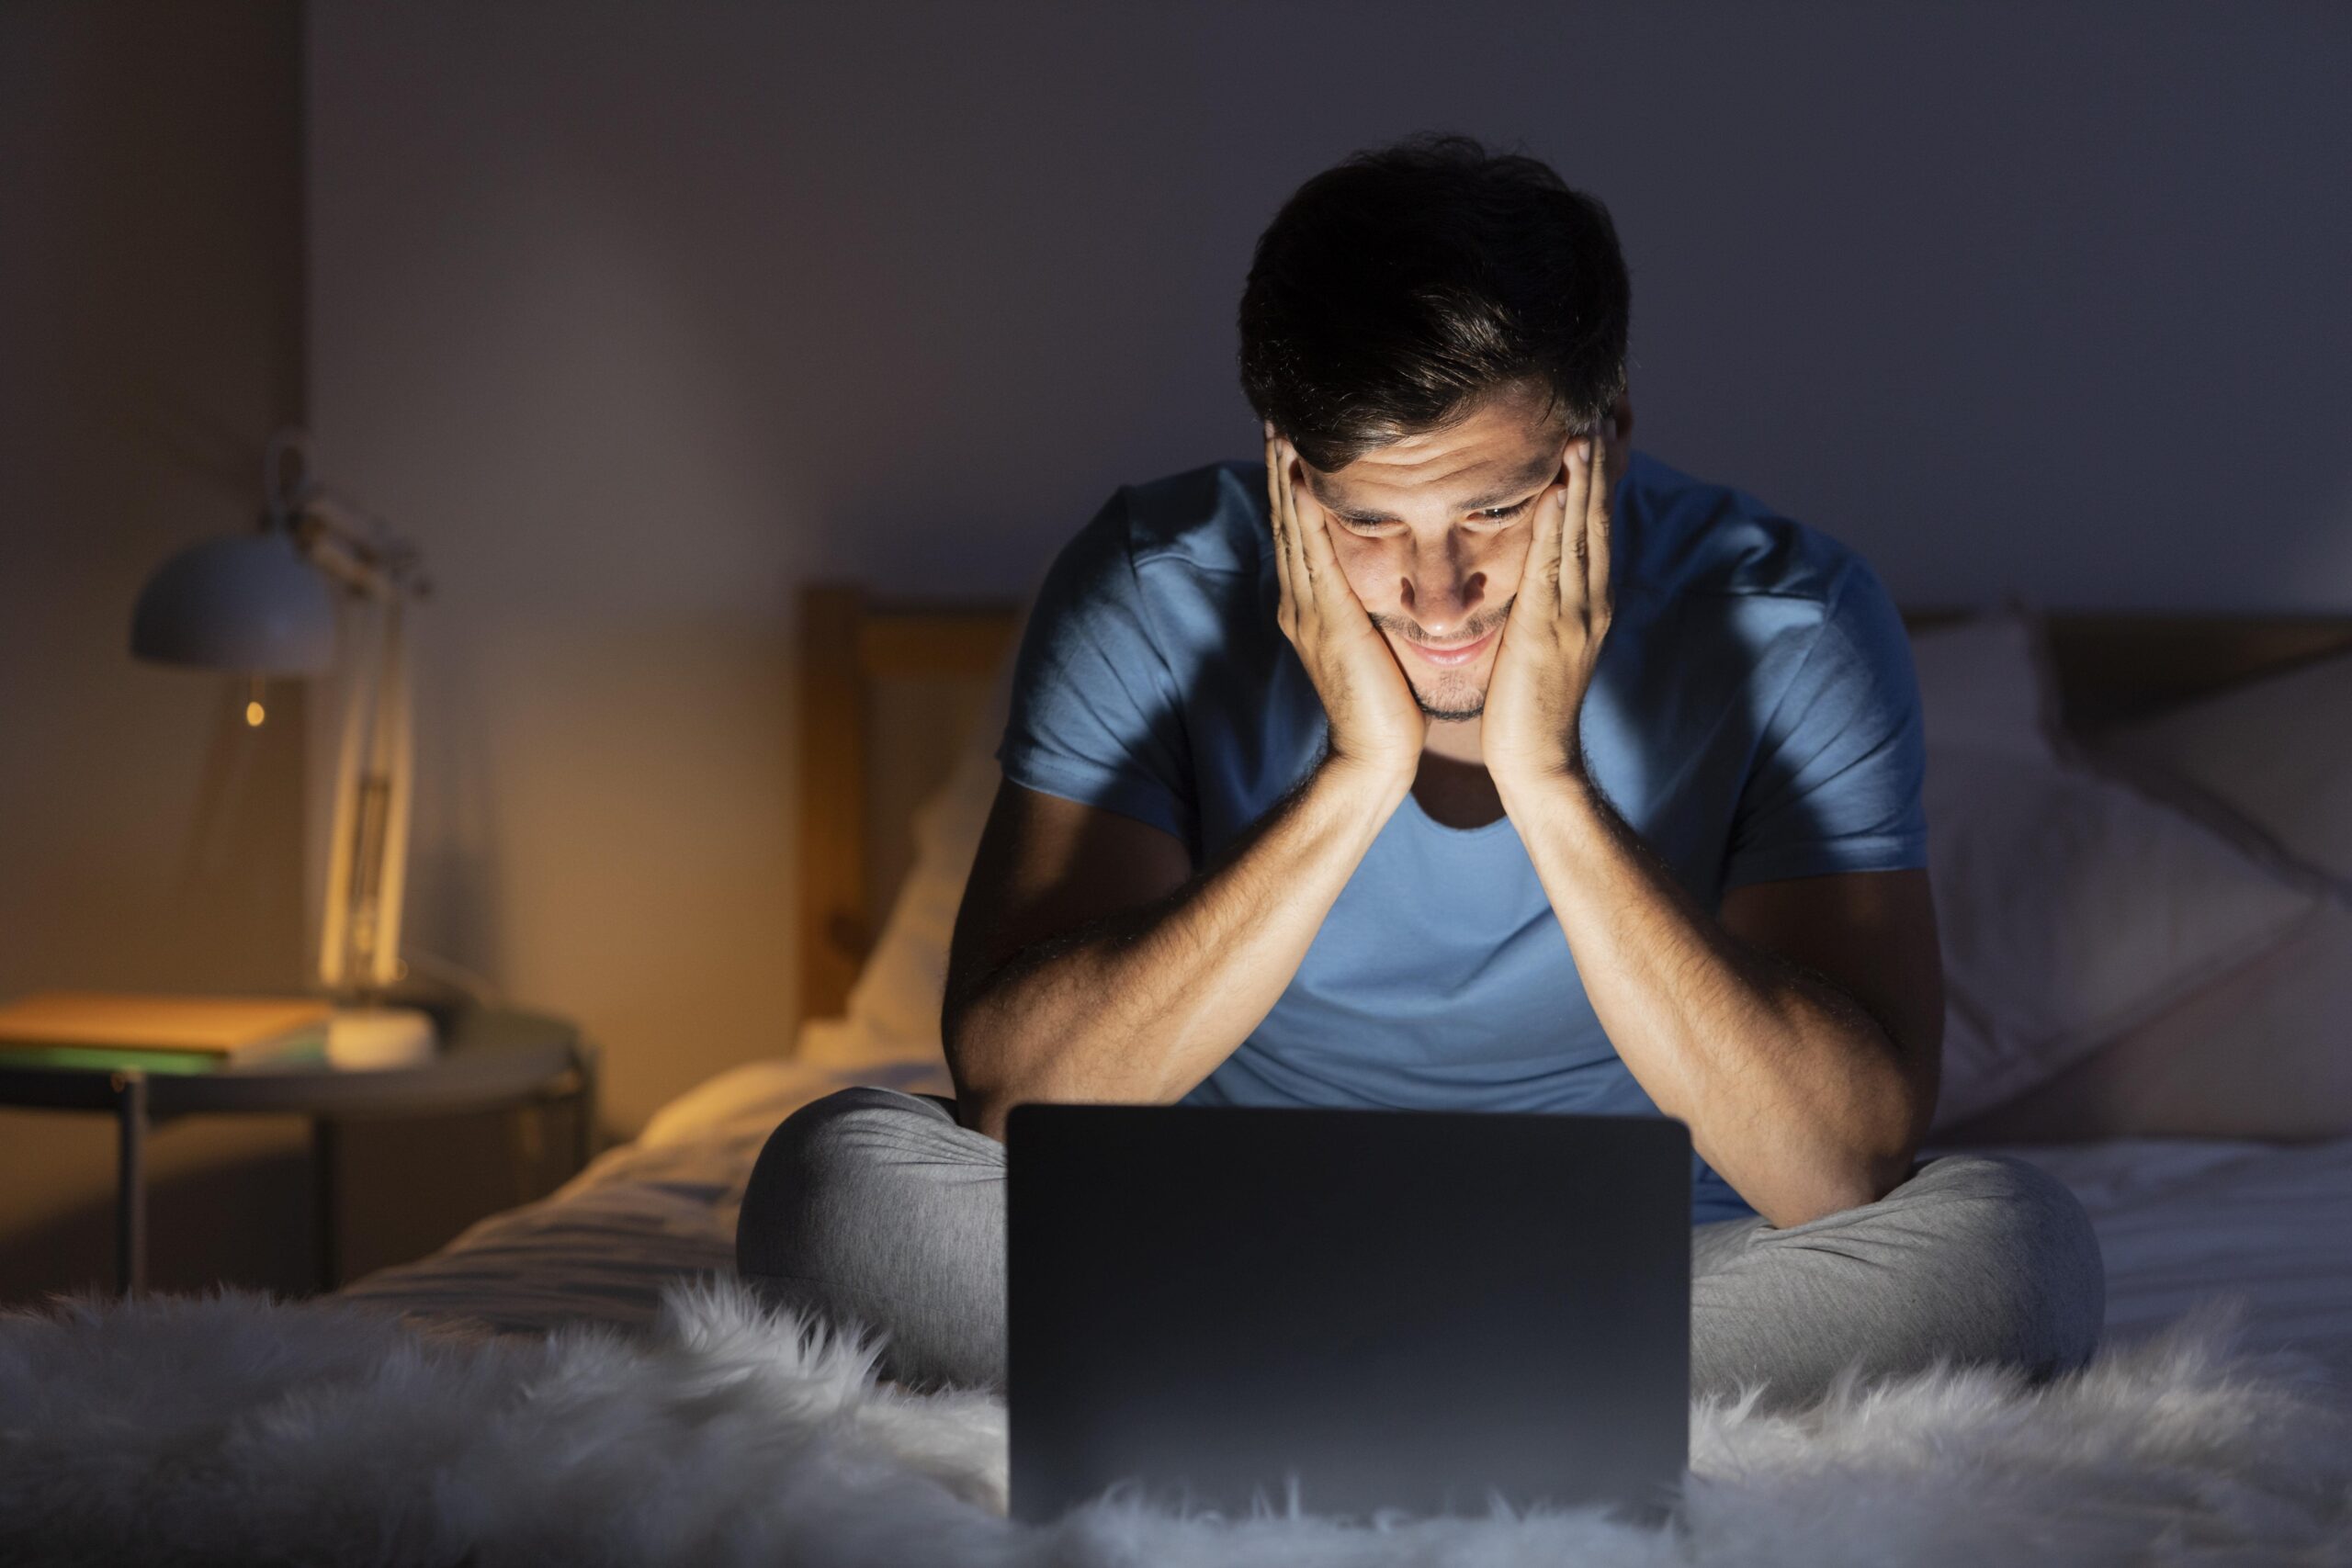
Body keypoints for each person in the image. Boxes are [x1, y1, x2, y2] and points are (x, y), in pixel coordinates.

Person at [737, 134, 2103, 1404]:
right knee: (836, 1188)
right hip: (1217, 1241)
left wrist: (1549, 782)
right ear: (1290, 473)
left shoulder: (1792, 620)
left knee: (2014, 1258)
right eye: (1366, 520)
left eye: (1498, 511)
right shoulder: (1152, 587)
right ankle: (1509, 1386)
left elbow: (1837, 1166)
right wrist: (1354, 775)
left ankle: (1298, 1383)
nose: (1435, 593)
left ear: (1609, 434)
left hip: (1651, 1268)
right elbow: (1023, 1101)